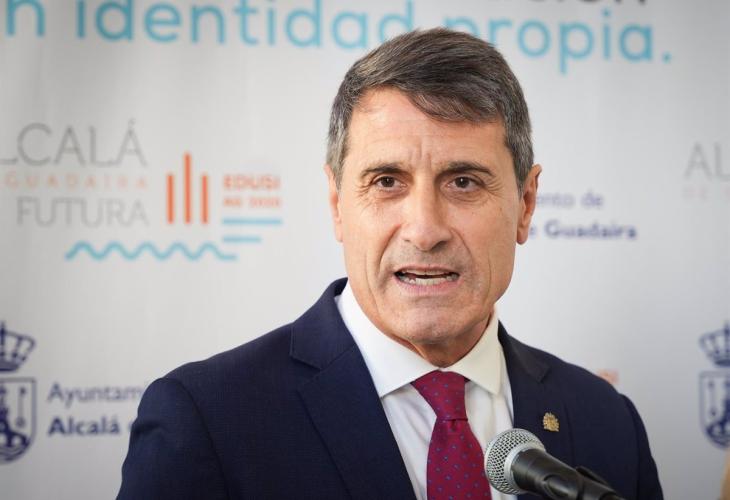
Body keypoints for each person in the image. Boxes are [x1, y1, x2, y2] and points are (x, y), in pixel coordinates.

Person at [118, 28, 663, 500]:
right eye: (386, 181)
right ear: (337, 204)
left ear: (525, 204)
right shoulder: (207, 421)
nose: (424, 230)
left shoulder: (607, 422)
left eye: (464, 181)